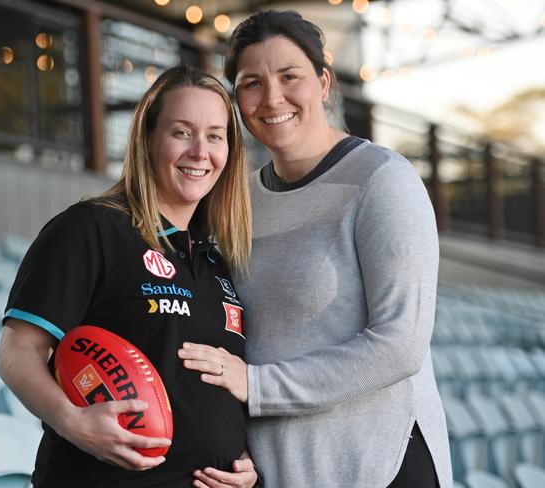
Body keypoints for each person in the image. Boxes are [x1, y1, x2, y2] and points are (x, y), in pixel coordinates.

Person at [179, 10, 453, 488]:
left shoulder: (382, 181)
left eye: (290, 77)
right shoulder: (234, 200)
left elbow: (400, 346)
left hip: (378, 465)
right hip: (278, 470)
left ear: (324, 83)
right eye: (251, 83)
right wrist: (232, 445)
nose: (272, 98)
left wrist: (257, 386)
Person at [0, 65, 258, 488]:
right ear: (148, 139)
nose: (200, 151)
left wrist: (241, 456)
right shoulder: (90, 228)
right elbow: (16, 352)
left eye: (214, 136)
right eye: (181, 132)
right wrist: (72, 420)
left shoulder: (215, 260)